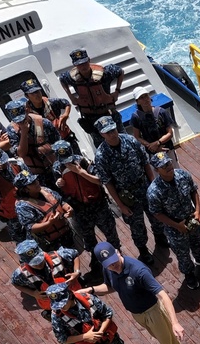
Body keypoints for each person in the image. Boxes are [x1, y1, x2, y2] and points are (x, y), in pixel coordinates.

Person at [83, 241, 188, 344]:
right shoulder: (108, 270)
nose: (114, 266)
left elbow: (163, 295)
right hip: (137, 314)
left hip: (153, 312)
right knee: (160, 337)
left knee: (170, 340)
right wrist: (92, 289)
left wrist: (175, 322)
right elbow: (110, 286)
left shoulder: (139, 271)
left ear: (118, 252)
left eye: (114, 261)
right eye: (109, 264)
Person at [94, 115, 166, 264]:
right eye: (108, 132)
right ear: (101, 134)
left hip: (144, 186)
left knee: (156, 215)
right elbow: (108, 182)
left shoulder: (130, 141)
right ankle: (143, 251)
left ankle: (160, 238)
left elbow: (145, 163)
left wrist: (153, 186)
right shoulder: (101, 155)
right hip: (127, 196)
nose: (112, 134)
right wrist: (121, 205)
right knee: (137, 226)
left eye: (113, 130)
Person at [146, 151, 200, 291]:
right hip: (174, 227)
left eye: (168, 163)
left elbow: (193, 191)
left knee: (199, 243)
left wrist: (197, 211)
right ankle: (189, 274)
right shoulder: (154, 191)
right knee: (182, 253)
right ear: (157, 170)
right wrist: (176, 225)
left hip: (192, 219)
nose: (168, 167)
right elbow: (157, 213)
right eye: (163, 166)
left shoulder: (183, 175)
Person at [52, 140, 119, 278]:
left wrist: (81, 172)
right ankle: (97, 266)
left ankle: (118, 259)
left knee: (110, 233)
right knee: (89, 240)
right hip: (79, 209)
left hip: (97, 205)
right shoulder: (57, 168)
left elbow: (99, 180)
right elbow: (59, 193)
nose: (67, 163)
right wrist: (59, 183)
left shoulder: (82, 161)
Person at [59, 48, 124, 146]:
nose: (83, 66)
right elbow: (62, 78)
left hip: (109, 114)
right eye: (79, 64)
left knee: (123, 141)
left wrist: (117, 91)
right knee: (101, 147)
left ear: (89, 60)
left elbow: (120, 71)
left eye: (84, 62)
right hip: (91, 120)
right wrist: (71, 96)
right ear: (75, 65)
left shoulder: (105, 74)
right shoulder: (72, 78)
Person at [10, 239, 81, 319]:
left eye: (40, 260)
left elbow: (74, 254)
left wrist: (76, 272)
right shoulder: (21, 273)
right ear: (25, 262)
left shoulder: (58, 255)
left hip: (73, 294)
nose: (39, 264)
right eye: (34, 264)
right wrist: (33, 293)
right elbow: (15, 283)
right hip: (52, 304)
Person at [13, 169, 74, 250]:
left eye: (36, 180)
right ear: (24, 189)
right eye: (32, 183)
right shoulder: (22, 206)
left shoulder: (45, 190)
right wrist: (49, 223)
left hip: (67, 234)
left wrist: (68, 208)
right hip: (51, 244)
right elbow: (31, 227)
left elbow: (60, 202)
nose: (37, 183)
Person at [4, 99, 60, 181]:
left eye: (22, 118)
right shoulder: (12, 130)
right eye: (17, 120)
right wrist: (23, 132)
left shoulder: (44, 122)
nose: (21, 122)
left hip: (54, 167)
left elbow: (58, 142)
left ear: (26, 110)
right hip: (37, 175)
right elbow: (21, 153)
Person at [129, 86, 176, 154]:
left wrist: (157, 143)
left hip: (166, 148)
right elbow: (137, 137)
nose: (145, 99)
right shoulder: (136, 117)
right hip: (151, 152)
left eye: (146, 96)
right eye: (141, 98)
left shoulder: (162, 112)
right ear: (137, 102)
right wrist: (150, 146)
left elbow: (170, 133)